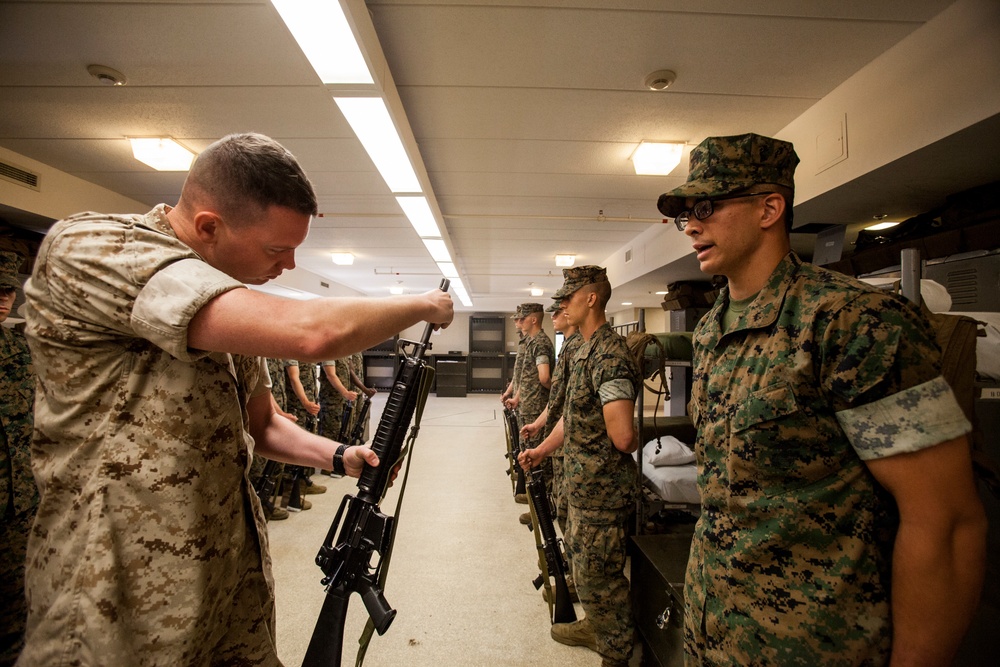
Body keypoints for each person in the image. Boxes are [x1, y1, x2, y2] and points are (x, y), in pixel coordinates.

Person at [20, 132, 453, 665]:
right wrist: (422, 305)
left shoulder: (221, 291)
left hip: (227, 568)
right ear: (208, 226)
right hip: (116, 587)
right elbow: (312, 336)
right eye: (278, 249)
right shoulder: (96, 247)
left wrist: (340, 457)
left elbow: (263, 424)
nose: (291, 265)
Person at [656, 132, 987, 666]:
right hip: (713, 628)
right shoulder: (712, 329)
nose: (692, 225)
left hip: (813, 644)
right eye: (686, 214)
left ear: (770, 208)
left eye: (708, 206)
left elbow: (944, 520)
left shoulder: (853, 322)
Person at [519, 266, 640, 667]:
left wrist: (593, 446)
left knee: (601, 576)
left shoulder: (609, 354)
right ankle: (597, 624)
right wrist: (544, 450)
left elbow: (623, 436)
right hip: (580, 482)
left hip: (602, 489)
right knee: (587, 570)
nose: (563, 304)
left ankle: (617, 649)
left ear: (592, 298)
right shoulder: (586, 348)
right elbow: (572, 416)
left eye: (569, 297)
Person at [0, 250, 38, 666]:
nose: (3, 299)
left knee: (17, 616)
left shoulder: (24, 346)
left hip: (19, 504)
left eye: (8, 290)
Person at [511, 302, 552, 525]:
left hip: (536, 409)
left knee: (537, 462)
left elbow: (544, 378)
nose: (520, 322)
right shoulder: (533, 342)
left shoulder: (541, 344)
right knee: (529, 457)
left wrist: (561, 391)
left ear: (534, 319)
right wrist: (517, 396)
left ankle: (540, 512)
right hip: (528, 407)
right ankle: (535, 501)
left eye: (523, 318)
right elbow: (524, 376)